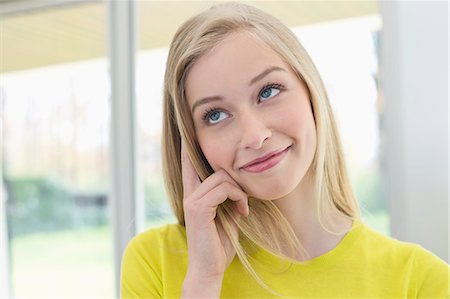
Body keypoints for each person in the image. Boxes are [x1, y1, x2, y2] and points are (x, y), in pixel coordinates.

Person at [121, 2, 448, 298]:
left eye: (268, 91)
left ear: (310, 92)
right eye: (215, 115)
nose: (254, 135)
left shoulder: (420, 280)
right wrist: (204, 281)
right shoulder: (157, 262)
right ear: (192, 143)